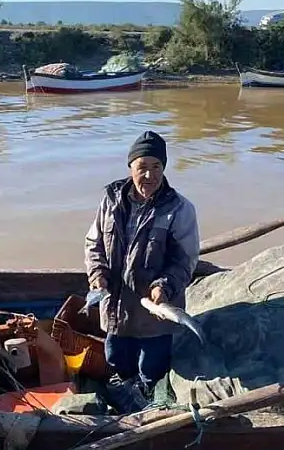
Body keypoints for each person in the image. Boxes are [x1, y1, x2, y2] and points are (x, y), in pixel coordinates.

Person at [83, 130, 200, 411]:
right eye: (142, 167)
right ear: (130, 168)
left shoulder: (179, 208)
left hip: (156, 313)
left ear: (164, 168)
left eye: (156, 167)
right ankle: (124, 396)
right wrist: (97, 273)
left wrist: (165, 286)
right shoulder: (111, 200)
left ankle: (147, 403)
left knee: (152, 370)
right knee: (116, 361)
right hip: (115, 306)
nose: (149, 175)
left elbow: (185, 259)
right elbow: (93, 242)